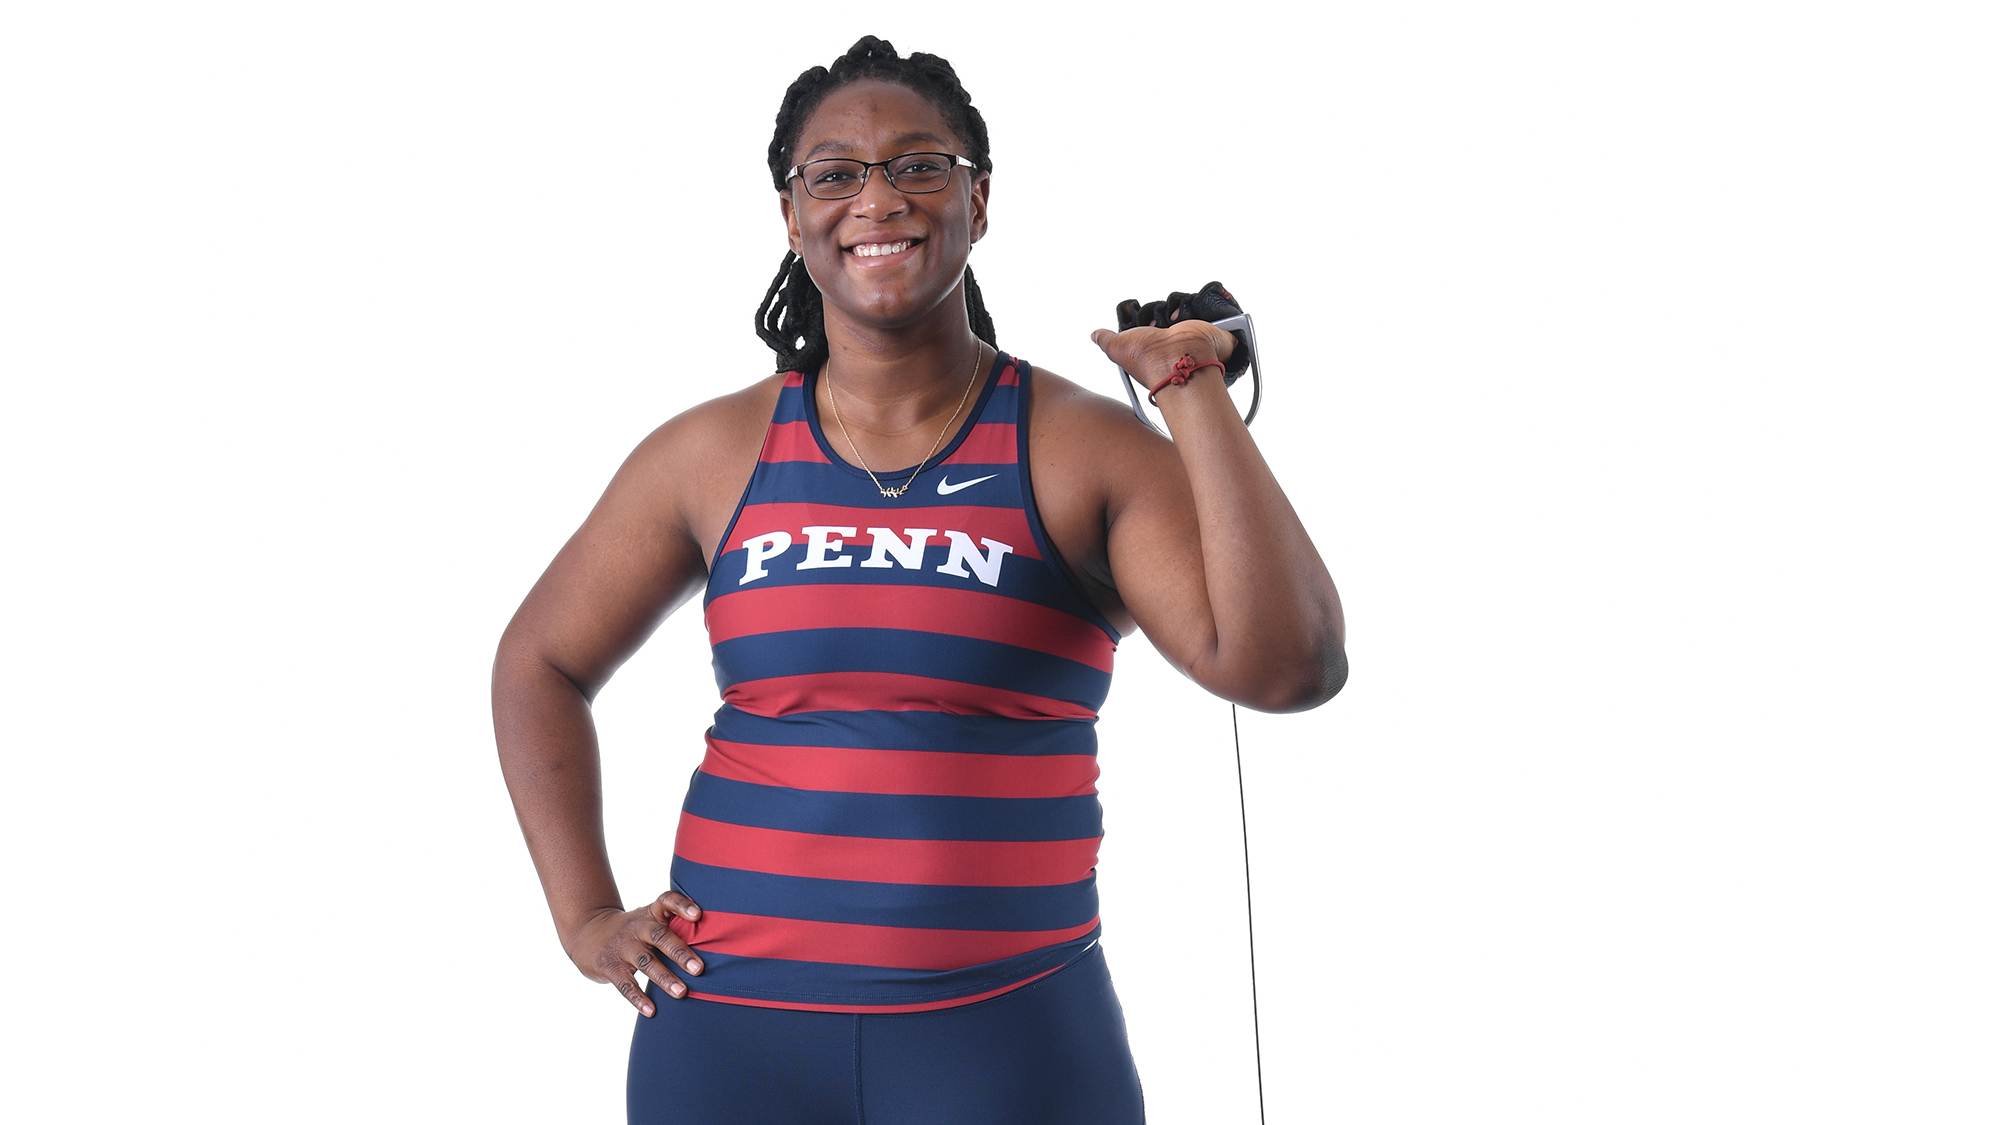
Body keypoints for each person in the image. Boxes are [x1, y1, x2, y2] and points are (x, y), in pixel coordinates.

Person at [492, 35, 1345, 1125]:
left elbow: (1289, 667)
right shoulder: (708, 456)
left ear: (977, 201)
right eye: (833, 172)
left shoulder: (1075, 449)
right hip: (729, 1038)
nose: (876, 197)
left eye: (918, 165)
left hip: (1006, 1042)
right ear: (791, 215)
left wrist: (1190, 390)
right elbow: (538, 662)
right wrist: (584, 917)